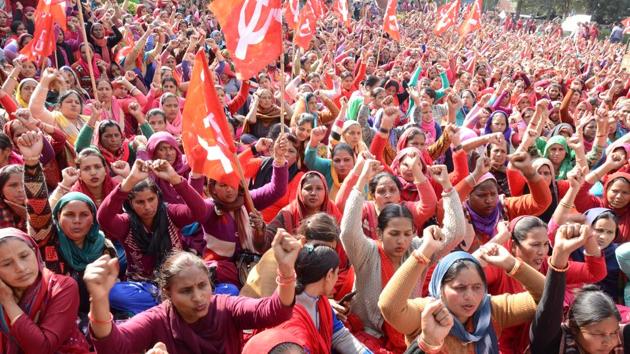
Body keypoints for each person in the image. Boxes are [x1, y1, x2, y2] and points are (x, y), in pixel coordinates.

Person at [84, 229, 301, 354]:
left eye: (202, 286)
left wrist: (286, 270)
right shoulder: (157, 320)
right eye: (186, 291)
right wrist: (99, 298)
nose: (198, 298)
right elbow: (113, 346)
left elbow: (275, 311)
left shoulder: (225, 306)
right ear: (168, 293)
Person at [341, 161, 464, 354]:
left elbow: (455, 233)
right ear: (380, 234)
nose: (401, 241)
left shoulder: (419, 248)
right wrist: (361, 181)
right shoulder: (366, 252)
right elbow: (348, 232)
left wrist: (447, 187)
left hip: (407, 336)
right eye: (394, 234)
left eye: (407, 234)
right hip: (367, 337)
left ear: (415, 233)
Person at [378, 227, 545, 353]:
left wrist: (511, 264)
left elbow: (547, 296)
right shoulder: (428, 312)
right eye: (460, 288)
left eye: (477, 287)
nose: (470, 297)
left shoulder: (490, 310)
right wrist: (426, 249)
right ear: (440, 288)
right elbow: (389, 306)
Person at [97, 159, 208, 313]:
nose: (147, 207)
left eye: (151, 199)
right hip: (144, 287)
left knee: (229, 289)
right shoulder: (125, 223)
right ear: (130, 204)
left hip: (179, 281)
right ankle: (173, 306)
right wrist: (130, 180)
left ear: (158, 197)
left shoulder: (170, 213)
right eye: (140, 202)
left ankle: (167, 306)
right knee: (112, 292)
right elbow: (103, 218)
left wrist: (175, 179)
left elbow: (200, 212)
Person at [249, 244, 370, 354]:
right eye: (337, 273)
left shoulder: (320, 299)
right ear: (329, 275)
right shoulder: (292, 319)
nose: (337, 278)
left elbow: (339, 335)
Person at [530, 223, 629, 353]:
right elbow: (549, 310)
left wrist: (590, 240)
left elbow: (596, 272)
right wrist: (560, 254)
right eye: (598, 334)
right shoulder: (558, 343)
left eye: (613, 332)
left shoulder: (622, 340)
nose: (608, 342)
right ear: (574, 328)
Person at [0, 228, 90, 353]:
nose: (20, 268)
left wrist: (8, 302)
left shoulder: (62, 286)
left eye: (24, 256)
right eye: (7, 264)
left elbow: (42, 348)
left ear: (35, 252)